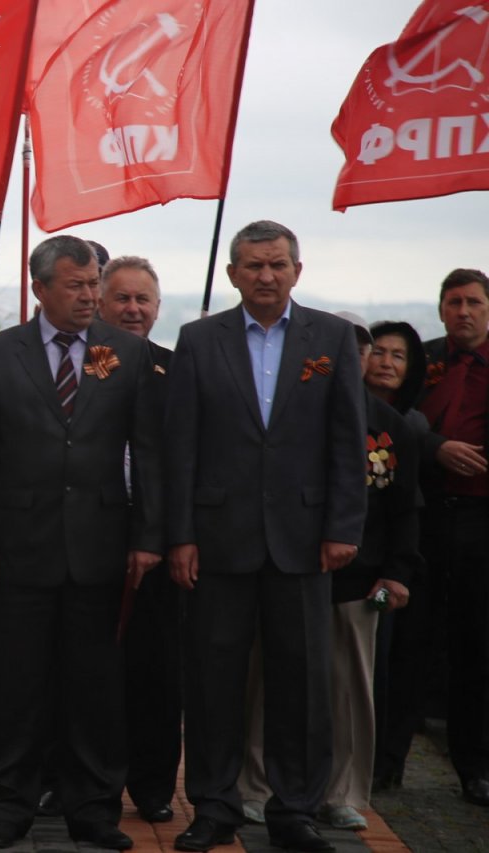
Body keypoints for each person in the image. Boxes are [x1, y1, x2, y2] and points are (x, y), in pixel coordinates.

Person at [164, 220, 366, 853]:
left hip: (304, 541)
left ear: (297, 271)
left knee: (301, 682)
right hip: (217, 539)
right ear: (232, 274)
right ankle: (214, 806)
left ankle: (295, 810)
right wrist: (181, 535)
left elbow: (346, 440)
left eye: (277, 265)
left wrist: (341, 526)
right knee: (212, 679)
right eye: (253, 266)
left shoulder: (329, 337)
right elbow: (181, 446)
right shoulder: (199, 339)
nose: (266, 276)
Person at [0, 235, 162, 851]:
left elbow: (146, 452)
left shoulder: (124, 352)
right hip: (17, 548)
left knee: (94, 689)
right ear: (41, 287)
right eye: (76, 285)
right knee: (12, 687)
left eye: (92, 283)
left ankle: (93, 810)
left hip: (100, 548)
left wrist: (148, 536)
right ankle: (8, 807)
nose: (89, 295)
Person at [238, 313, 419, 833]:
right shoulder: (286, 415)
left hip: (355, 581)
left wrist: (398, 572)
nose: (355, 356)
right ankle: (256, 785)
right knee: (265, 685)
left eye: (361, 349)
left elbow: (406, 510)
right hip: (282, 569)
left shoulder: (389, 425)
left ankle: (341, 792)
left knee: (346, 690)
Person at [96, 255, 180, 825]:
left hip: (161, 545)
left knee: (157, 672)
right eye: (121, 298)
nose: (132, 309)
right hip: (84, 540)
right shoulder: (76, 367)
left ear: (157, 308)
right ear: (99, 304)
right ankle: (80, 781)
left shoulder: (178, 371)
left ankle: (152, 786)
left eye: (142, 299)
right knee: (84, 671)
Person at [413, 268, 489, 807]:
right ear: (440, 309)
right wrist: (435, 445)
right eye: (453, 302)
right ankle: (387, 759)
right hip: (424, 515)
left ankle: (474, 766)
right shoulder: (425, 360)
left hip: (481, 519)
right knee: (411, 635)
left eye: (474, 303)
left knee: (475, 647)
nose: (463, 312)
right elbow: (393, 414)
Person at [364, 320, 433, 792]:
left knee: (385, 661)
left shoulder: (412, 424)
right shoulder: (337, 410)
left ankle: (380, 762)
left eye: (399, 356)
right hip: (350, 563)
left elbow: (405, 502)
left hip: (394, 559)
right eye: (379, 352)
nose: (386, 363)